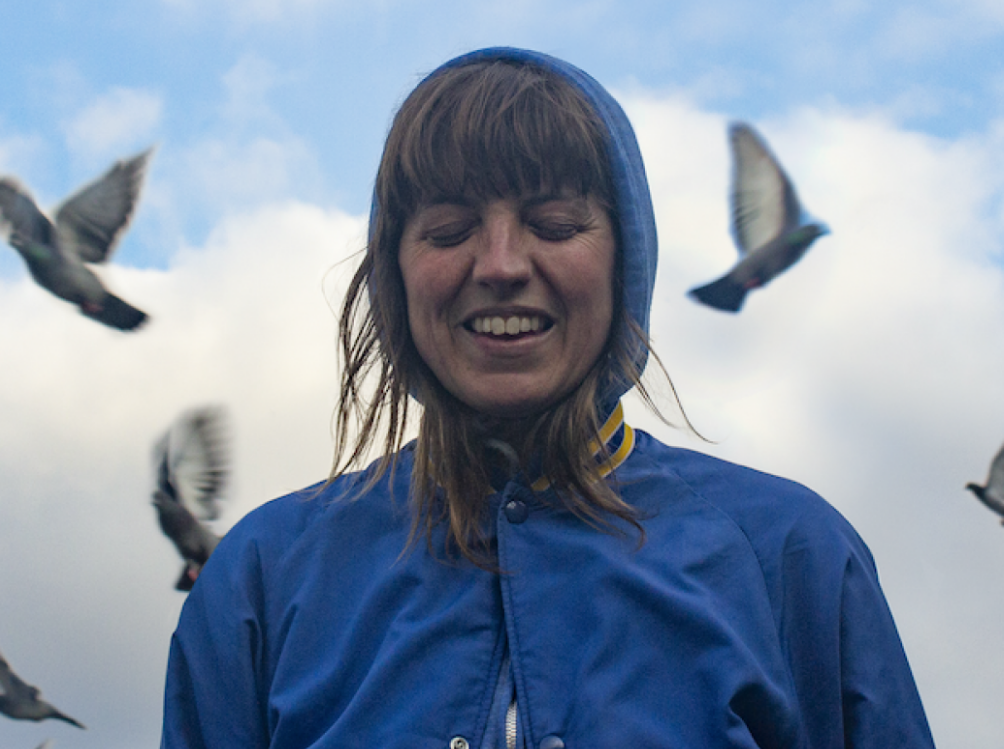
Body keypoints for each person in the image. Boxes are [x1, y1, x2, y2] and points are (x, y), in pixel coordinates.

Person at [160, 48, 935, 748]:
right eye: (449, 227)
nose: (499, 263)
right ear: (394, 274)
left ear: (626, 261)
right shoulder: (260, 580)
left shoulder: (789, 555)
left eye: (556, 223)